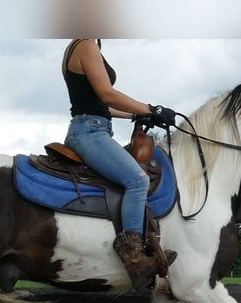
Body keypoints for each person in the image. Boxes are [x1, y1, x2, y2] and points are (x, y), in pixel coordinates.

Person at [62, 38, 177, 290]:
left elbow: (100, 104)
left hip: (92, 126)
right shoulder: (85, 45)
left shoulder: (81, 45)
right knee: (137, 180)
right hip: (90, 132)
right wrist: (152, 108)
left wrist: (138, 114)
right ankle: (134, 258)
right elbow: (107, 94)